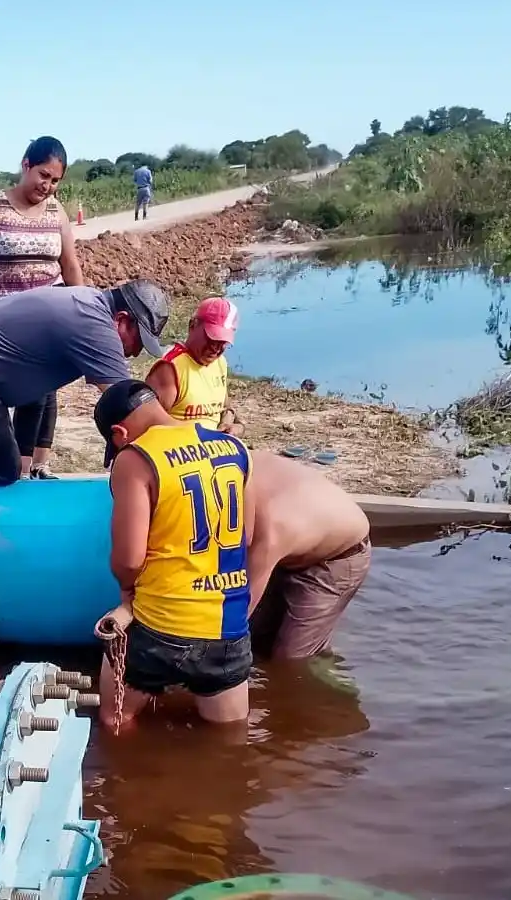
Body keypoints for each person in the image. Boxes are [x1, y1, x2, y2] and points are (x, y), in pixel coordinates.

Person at [92, 379, 257, 731]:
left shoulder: (135, 458)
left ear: (119, 433)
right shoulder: (234, 447)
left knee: (116, 720)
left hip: (160, 628)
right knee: (229, 740)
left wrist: (127, 592)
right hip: (229, 632)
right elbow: (246, 538)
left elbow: (129, 559)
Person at [0, 279, 169, 485]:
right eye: (139, 341)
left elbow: (40, 394)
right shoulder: (94, 325)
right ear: (122, 320)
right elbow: (130, 407)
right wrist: (174, 449)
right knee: (1, 469)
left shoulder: (87, 302)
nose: (136, 352)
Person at [0, 136, 86, 480]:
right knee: (14, 393)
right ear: (26, 165)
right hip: (2, 321)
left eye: (55, 180)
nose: (47, 186)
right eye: (43, 175)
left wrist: (84, 308)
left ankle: (37, 466)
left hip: (48, 320)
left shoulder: (56, 211)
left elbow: (70, 264)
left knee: (44, 390)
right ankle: (9, 466)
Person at [246, 451, 371, 660]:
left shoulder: (273, 530)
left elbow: (241, 610)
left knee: (291, 659)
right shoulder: (224, 464)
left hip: (338, 556)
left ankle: (325, 668)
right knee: (258, 638)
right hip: (299, 535)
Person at [145, 296, 245, 437]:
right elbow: (147, 424)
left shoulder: (220, 363)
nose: (216, 348)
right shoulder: (171, 370)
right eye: (212, 338)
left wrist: (231, 427)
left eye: (223, 342)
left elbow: (225, 408)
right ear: (192, 326)